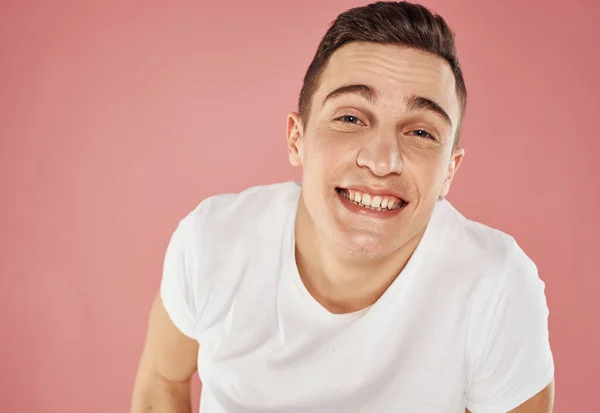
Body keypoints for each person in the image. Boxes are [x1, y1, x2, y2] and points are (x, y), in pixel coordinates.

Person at [130, 2, 555, 412]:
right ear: (297, 138)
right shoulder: (214, 239)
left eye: (421, 132)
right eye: (350, 118)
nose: (382, 160)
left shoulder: (496, 287)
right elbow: (163, 381)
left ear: (449, 170)